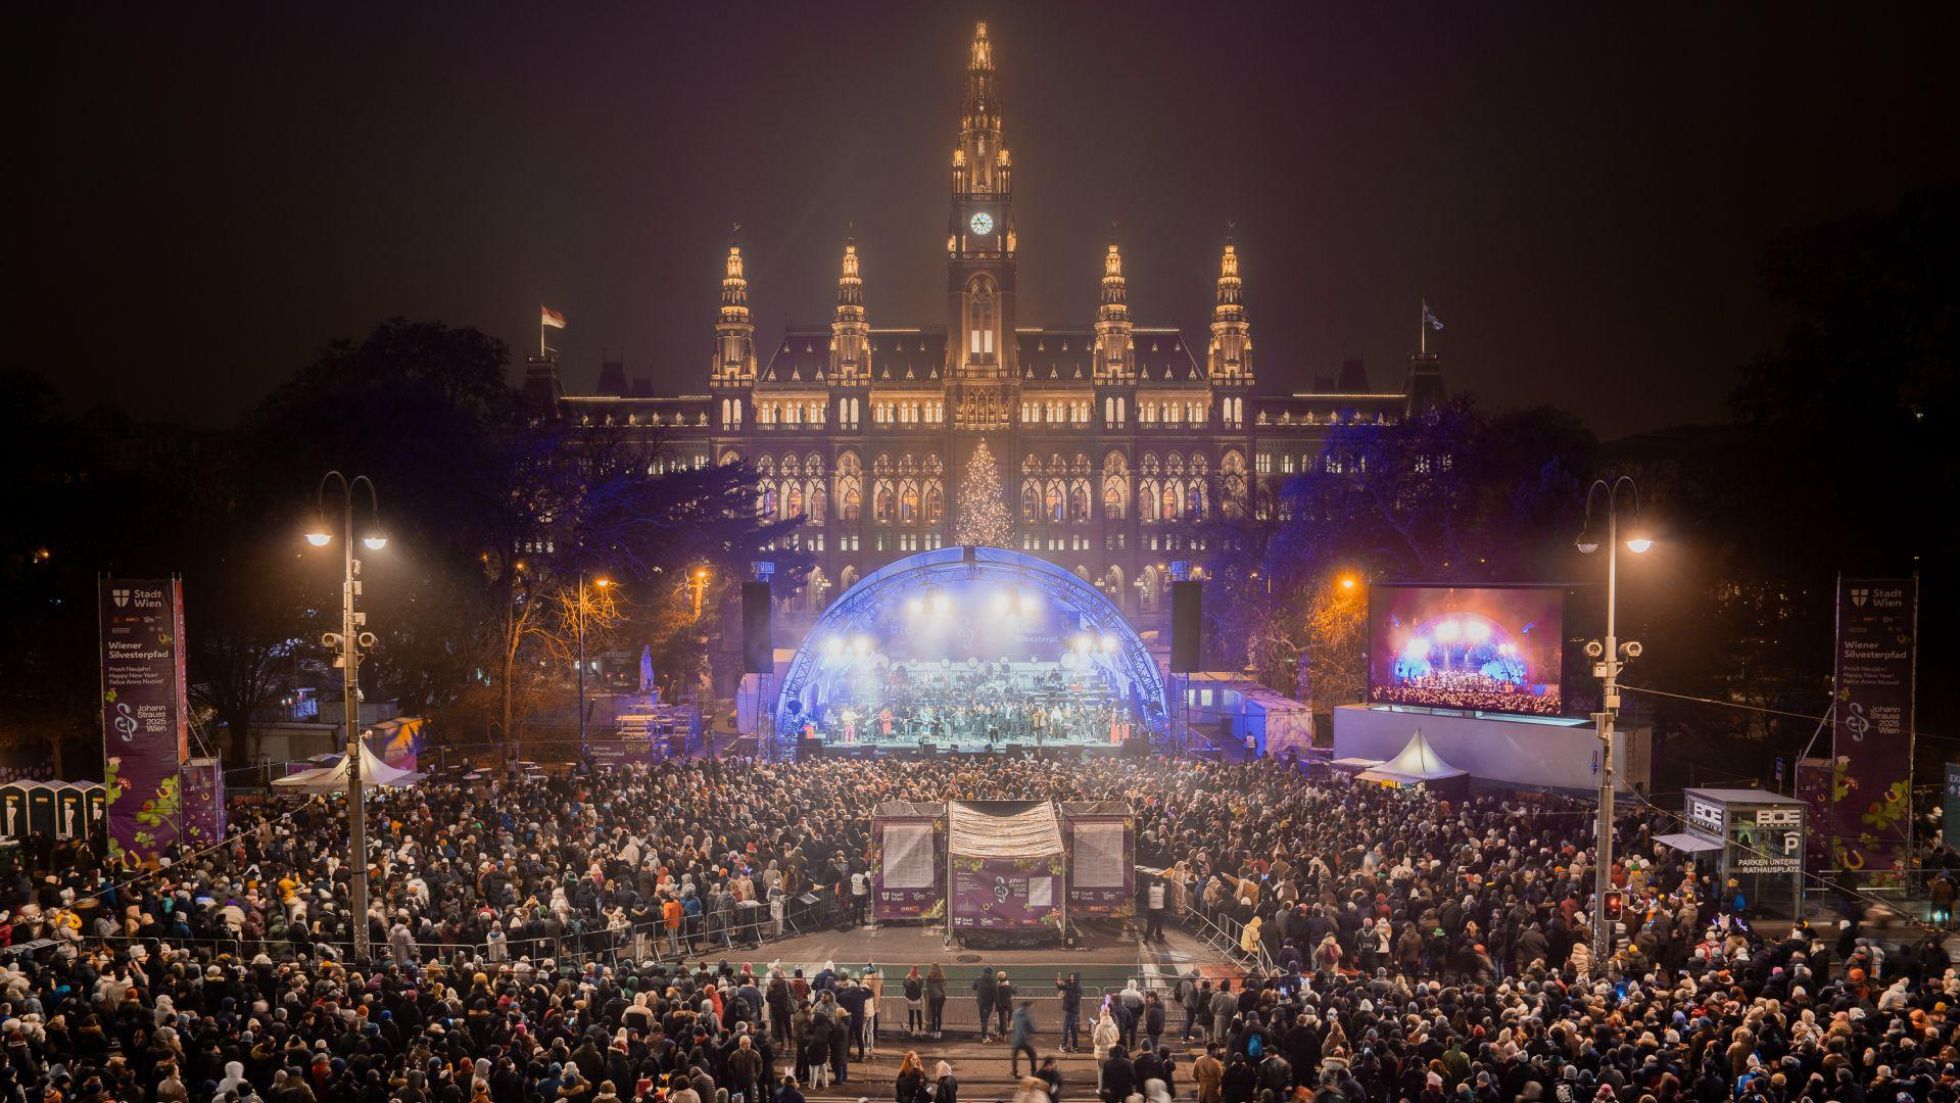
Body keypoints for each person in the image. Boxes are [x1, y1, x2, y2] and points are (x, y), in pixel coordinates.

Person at [1010, 1001, 1038, 1078]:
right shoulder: (1027, 1016)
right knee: (1033, 1055)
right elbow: (1032, 1029)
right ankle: (1033, 1072)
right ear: (1027, 1007)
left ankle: (1014, 1073)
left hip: (1015, 1039)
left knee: (1014, 1056)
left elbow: (1013, 1026)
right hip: (1024, 1040)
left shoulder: (1015, 1014)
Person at [1056, 972, 1082, 1053]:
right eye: (1071, 977)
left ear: (1076, 979)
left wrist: (1064, 997)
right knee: (1073, 1029)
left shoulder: (1077, 988)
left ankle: (1063, 1045)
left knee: (1066, 1028)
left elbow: (1074, 1000)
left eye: (1073, 977)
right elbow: (1063, 987)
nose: (1071, 979)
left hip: (1071, 1011)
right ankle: (1075, 1047)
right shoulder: (1071, 984)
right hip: (1071, 1010)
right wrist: (1058, 982)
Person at [973, 967, 999, 1042]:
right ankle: (984, 1037)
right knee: (985, 1019)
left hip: (980, 1002)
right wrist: (997, 1003)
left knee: (983, 1019)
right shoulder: (993, 980)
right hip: (989, 1002)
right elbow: (996, 992)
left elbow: (973, 988)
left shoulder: (979, 979)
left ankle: (984, 1035)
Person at [926, 963, 948, 1037]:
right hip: (940, 997)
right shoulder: (941, 977)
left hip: (932, 997)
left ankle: (934, 1030)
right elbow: (943, 987)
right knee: (939, 1014)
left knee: (933, 1014)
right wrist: (944, 995)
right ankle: (938, 1031)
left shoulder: (929, 977)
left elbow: (928, 988)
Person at [904, 966, 925, 1037]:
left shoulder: (907, 978)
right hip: (918, 999)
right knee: (919, 1015)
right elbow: (921, 987)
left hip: (910, 999)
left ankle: (912, 1031)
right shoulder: (920, 978)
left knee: (911, 1015)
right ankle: (920, 1031)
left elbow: (905, 986)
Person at [1145, 877, 1167, 942]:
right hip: (1160, 909)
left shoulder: (1151, 888)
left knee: (1150, 924)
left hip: (1151, 908)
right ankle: (1159, 938)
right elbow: (1164, 886)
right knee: (1159, 924)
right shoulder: (1162, 889)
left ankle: (1146, 938)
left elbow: (1150, 886)